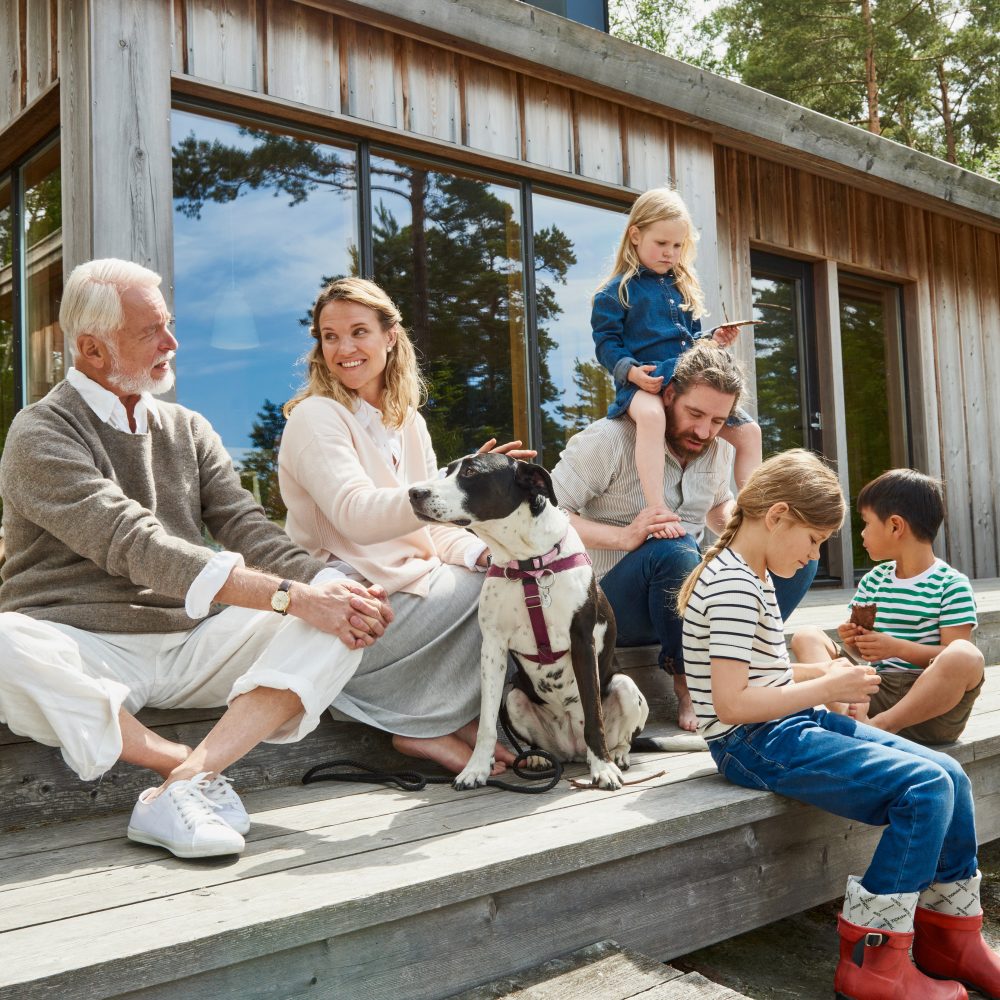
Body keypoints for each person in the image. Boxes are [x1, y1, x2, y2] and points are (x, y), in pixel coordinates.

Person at [0, 258, 396, 860]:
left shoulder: (187, 427)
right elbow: (135, 543)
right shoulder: (40, 433)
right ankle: (182, 767)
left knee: (342, 617)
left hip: (189, 641)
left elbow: (247, 527)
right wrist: (291, 596)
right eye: (150, 332)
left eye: (169, 324)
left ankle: (187, 783)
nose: (172, 343)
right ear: (92, 349)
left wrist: (331, 584)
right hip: (83, 643)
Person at [678, 449, 1000, 1000]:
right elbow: (731, 705)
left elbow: (763, 673)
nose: (814, 556)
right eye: (814, 540)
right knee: (924, 788)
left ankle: (952, 937)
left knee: (949, 773)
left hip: (782, 724)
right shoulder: (732, 585)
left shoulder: (750, 574)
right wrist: (827, 689)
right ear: (777, 516)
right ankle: (873, 962)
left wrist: (823, 672)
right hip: (753, 741)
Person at [278, 277, 520, 774]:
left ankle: (448, 720)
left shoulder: (407, 422)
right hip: (350, 605)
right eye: (330, 336)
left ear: (390, 336)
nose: (344, 349)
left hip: (410, 587)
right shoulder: (315, 417)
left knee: (507, 576)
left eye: (358, 332)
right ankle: (422, 726)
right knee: (500, 595)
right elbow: (356, 514)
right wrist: (448, 492)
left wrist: (484, 553)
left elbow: (432, 529)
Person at [550, 341, 813, 732]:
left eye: (718, 421)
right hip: (610, 605)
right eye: (695, 414)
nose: (704, 431)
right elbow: (547, 516)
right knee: (673, 548)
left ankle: (748, 668)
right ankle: (689, 686)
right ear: (669, 395)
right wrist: (625, 537)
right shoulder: (607, 440)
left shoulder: (718, 448)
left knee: (797, 554)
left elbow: (717, 506)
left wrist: (759, 531)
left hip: (685, 600)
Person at [591, 187, 762, 521]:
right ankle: (656, 506)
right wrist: (631, 372)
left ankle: (753, 513)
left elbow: (690, 343)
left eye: (677, 246)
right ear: (635, 235)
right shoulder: (614, 293)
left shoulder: (682, 288)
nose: (669, 253)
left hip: (687, 382)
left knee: (749, 432)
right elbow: (606, 345)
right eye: (662, 243)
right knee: (653, 418)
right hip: (646, 382)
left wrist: (713, 340)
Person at [791, 468, 984, 743]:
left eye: (867, 523)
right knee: (807, 636)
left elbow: (951, 656)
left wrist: (896, 648)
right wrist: (854, 641)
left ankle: (879, 728)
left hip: (929, 710)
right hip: (874, 693)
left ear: (895, 526)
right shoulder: (874, 580)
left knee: (966, 654)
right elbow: (860, 654)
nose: (862, 534)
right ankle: (849, 718)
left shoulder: (951, 585)